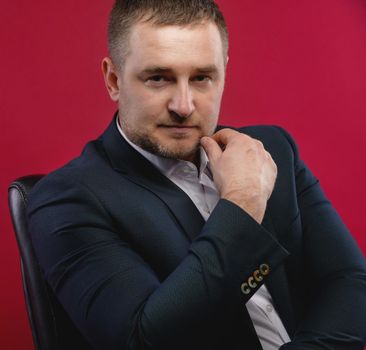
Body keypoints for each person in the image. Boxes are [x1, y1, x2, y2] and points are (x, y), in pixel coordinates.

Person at [26, 0, 366, 349]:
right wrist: (242, 204)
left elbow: (350, 280)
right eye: (158, 78)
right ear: (114, 80)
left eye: (202, 77)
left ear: (224, 73)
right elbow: (143, 340)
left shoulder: (271, 149)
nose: (184, 106)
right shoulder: (67, 199)